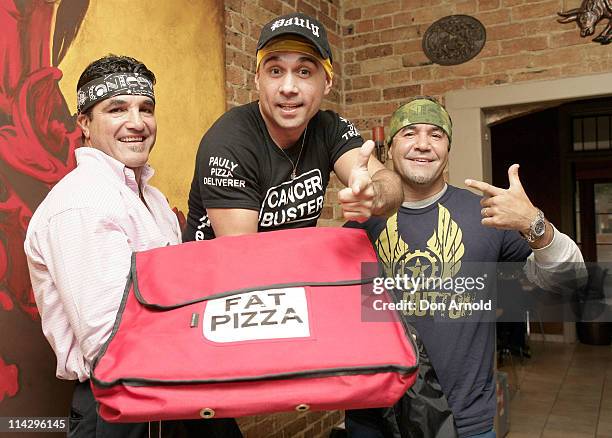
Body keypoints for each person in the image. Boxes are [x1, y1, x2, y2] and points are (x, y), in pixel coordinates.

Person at [24, 55, 239, 438]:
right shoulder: (82, 203)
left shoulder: (151, 199)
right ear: (85, 124)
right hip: (123, 404)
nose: (137, 123)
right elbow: (112, 341)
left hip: (178, 388)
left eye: (146, 108)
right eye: (117, 109)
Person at [345, 96, 585, 438]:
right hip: (377, 419)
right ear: (390, 148)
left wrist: (535, 223)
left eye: (436, 135)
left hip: (465, 422)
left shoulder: (486, 214)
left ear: (448, 149)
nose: (423, 144)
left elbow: (570, 282)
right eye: (410, 133)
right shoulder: (361, 224)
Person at [183, 12, 402, 241]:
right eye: (275, 71)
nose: (288, 87)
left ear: (327, 82)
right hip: (216, 273)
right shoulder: (228, 143)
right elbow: (243, 259)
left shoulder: (329, 128)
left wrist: (373, 195)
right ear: (258, 78)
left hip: (287, 270)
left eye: (304, 71)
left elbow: (392, 185)